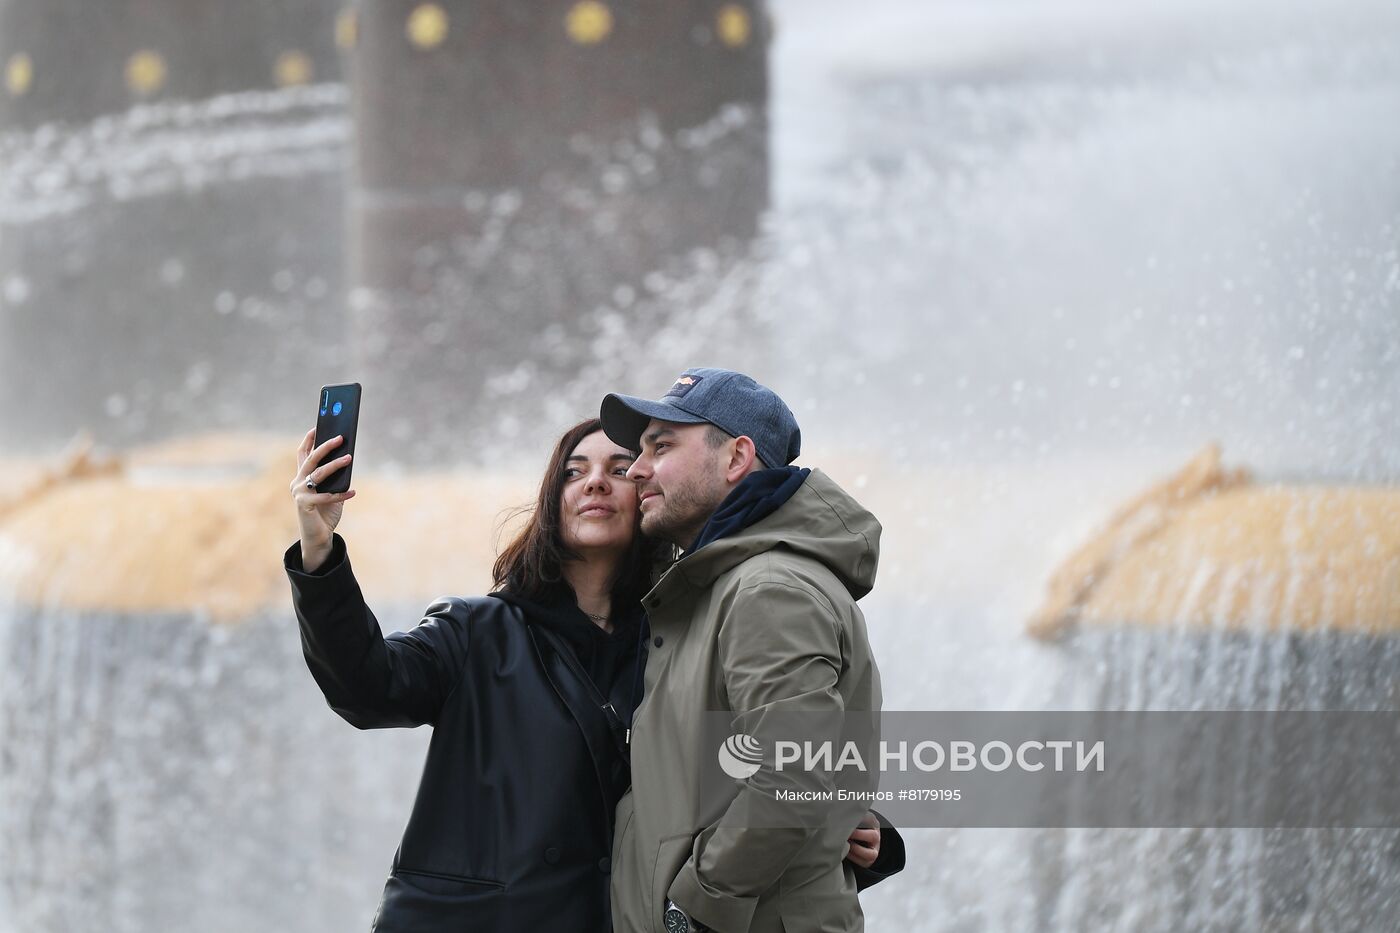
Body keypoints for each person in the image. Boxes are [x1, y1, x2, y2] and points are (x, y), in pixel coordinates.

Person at [283, 417, 895, 931]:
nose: (596, 482)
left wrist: (847, 820)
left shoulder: (679, 641)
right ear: (554, 500)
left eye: (621, 468)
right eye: (574, 472)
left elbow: (765, 761)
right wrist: (319, 552)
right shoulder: (479, 631)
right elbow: (366, 687)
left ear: (647, 496)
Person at [600, 368, 899, 933]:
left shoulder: (768, 589)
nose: (637, 470)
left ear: (736, 458)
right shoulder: (713, 587)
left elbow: (791, 777)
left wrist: (696, 908)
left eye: (660, 447)